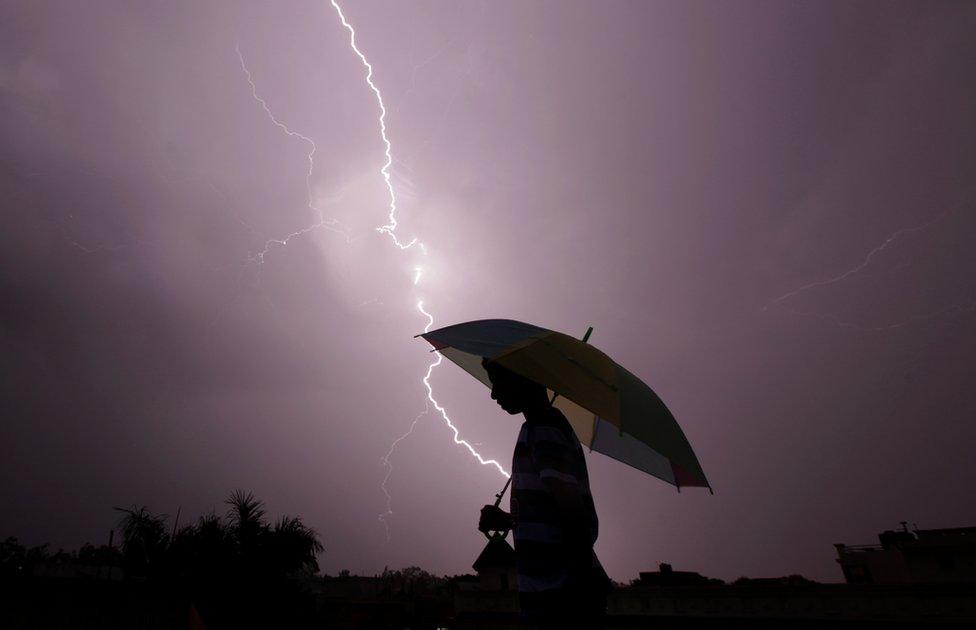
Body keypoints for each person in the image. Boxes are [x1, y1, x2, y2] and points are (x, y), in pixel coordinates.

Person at [478, 358, 611, 629]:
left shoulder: (545, 430)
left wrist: (581, 588)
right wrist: (508, 519)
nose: (493, 394)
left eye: (498, 382)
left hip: (561, 597)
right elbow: (550, 512)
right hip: (547, 594)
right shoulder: (534, 429)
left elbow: (572, 512)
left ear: (523, 379)